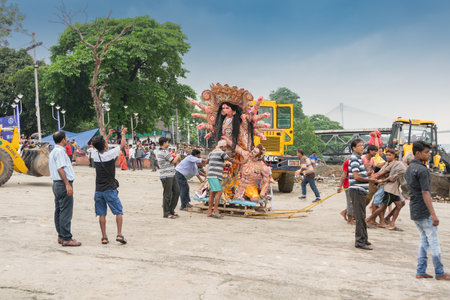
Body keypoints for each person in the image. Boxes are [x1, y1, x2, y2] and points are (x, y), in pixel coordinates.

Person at [405, 141, 450, 280]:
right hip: (423, 211)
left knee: (424, 241)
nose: (429, 155)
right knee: (434, 241)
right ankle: (440, 272)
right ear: (417, 153)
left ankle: (420, 271)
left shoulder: (410, 168)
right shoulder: (423, 170)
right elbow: (425, 193)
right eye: (426, 152)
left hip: (414, 209)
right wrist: (433, 214)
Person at [91, 127, 128, 245]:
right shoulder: (110, 154)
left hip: (98, 190)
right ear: (105, 146)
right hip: (110, 189)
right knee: (118, 211)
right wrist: (122, 134)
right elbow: (122, 145)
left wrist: (107, 136)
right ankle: (119, 234)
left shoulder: (94, 154)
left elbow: (100, 146)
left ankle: (104, 237)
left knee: (102, 214)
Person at [48, 131, 81, 247]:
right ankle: (67, 238)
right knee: (65, 212)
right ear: (62, 139)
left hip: (57, 184)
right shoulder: (60, 152)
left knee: (59, 210)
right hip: (62, 184)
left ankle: (61, 236)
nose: (67, 139)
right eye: (66, 137)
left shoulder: (53, 151)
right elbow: (60, 169)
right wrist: (67, 184)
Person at [366, 149, 406, 230]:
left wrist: (376, 179)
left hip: (391, 187)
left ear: (394, 156)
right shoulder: (388, 164)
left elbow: (386, 175)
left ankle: (386, 221)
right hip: (387, 187)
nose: (388, 156)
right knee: (380, 204)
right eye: (387, 155)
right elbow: (383, 173)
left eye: (389, 155)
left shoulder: (395, 164)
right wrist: (375, 179)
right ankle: (376, 220)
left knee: (398, 204)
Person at [348, 139, 376, 250]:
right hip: (357, 190)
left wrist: (366, 175)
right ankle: (360, 241)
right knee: (360, 217)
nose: (361, 147)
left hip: (360, 191)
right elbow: (356, 177)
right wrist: (369, 179)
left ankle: (364, 238)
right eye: (359, 146)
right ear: (354, 148)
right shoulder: (354, 159)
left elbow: (359, 174)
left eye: (362, 145)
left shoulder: (358, 158)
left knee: (362, 216)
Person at [206, 139, 243, 218]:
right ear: (222, 147)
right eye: (225, 147)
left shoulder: (212, 153)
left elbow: (207, 162)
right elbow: (231, 160)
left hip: (210, 175)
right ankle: (215, 211)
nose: (226, 149)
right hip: (215, 176)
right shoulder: (221, 153)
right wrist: (242, 163)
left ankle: (209, 211)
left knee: (212, 193)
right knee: (219, 192)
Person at [156, 137, 182, 219]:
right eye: (167, 142)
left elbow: (170, 159)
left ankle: (171, 210)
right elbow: (173, 161)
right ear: (164, 143)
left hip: (171, 174)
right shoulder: (162, 152)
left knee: (177, 191)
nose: (168, 144)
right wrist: (178, 156)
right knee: (167, 195)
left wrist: (175, 156)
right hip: (166, 176)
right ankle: (166, 213)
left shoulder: (163, 151)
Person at [337, 158, 354, 225]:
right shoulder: (347, 162)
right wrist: (340, 186)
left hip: (356, 185)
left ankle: (345, 212)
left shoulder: (360, 160)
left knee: (354, 202)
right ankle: (350, 219)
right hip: (348, 185)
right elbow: (344, 174)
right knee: (350, 202)